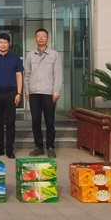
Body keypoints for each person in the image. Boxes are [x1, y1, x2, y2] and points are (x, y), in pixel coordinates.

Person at [25, 28, 63, 158]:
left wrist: (56, 92)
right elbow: (26, 75)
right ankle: (39, 147)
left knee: (49, 121)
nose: (41, 38)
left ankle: (50, 147)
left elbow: (58, 74)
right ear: (35, 39)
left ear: (48, 38)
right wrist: (27, 91)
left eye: (43, 36)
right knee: (35, 121)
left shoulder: (54, 55)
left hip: (48, 93)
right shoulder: (30, 55)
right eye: (38, 36)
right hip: (34, 93)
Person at [0, 33, 23, 159]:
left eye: (5, 42)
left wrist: (19, 93)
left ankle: (9, 149)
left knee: (10, 122)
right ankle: (0, 148)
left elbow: (19, 76)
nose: (3, 45)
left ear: (9, 44)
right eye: (1, 42)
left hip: (11, 93)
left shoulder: (15, 58)